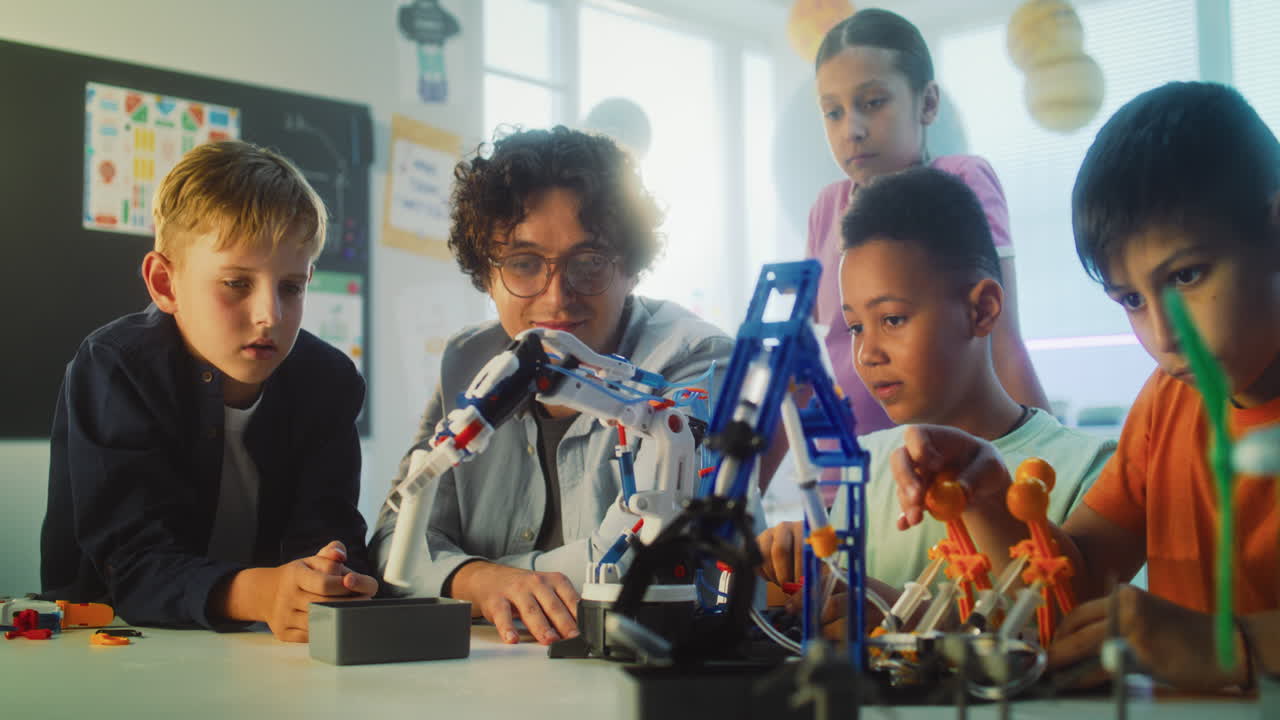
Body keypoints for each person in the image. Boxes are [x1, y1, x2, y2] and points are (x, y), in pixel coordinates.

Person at [890, 82, 1280, 691]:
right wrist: (991, 494)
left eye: (1188, 275)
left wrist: (1235, 644)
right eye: (1130, 299)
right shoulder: (1167, 402)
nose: (1163, 335)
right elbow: (1077, 582)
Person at [369, 126, 736, 646]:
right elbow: (394, 537)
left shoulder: (694, 360)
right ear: (485, 274)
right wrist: (481, 580)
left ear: (630, 268)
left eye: (589, 264)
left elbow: (645, 557)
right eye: (523, 264)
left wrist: (470, 576)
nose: (557, 298)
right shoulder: (469, 361)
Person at [41, 140, 376, 642]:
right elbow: (132, 565)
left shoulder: (329, 381)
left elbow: (328, 530)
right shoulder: (114, 367)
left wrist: (331, 577)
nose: (271, 315)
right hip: (113, 641)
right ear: (165, 283)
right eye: (237, 284)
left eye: (291, 287)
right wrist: (264, 593)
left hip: (264, 648)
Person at [757, 168, 1112, 618]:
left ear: (982, 310)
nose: (866, 354)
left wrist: (899, 614)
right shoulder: (861, 468)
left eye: (892, 319)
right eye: (854, 327)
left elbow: (1077, 639)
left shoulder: (1088, 471)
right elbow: (827, 606)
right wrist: (787, 567)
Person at [806, 8, 1048, 436]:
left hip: (957, 465)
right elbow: (802, 361)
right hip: (848, 469)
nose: (852, 130)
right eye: (833, 112)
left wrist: (1049, 463)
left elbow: (1004, 339)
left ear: (928, 102)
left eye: (873, 102)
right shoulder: (827, 208)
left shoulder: (963, 180)